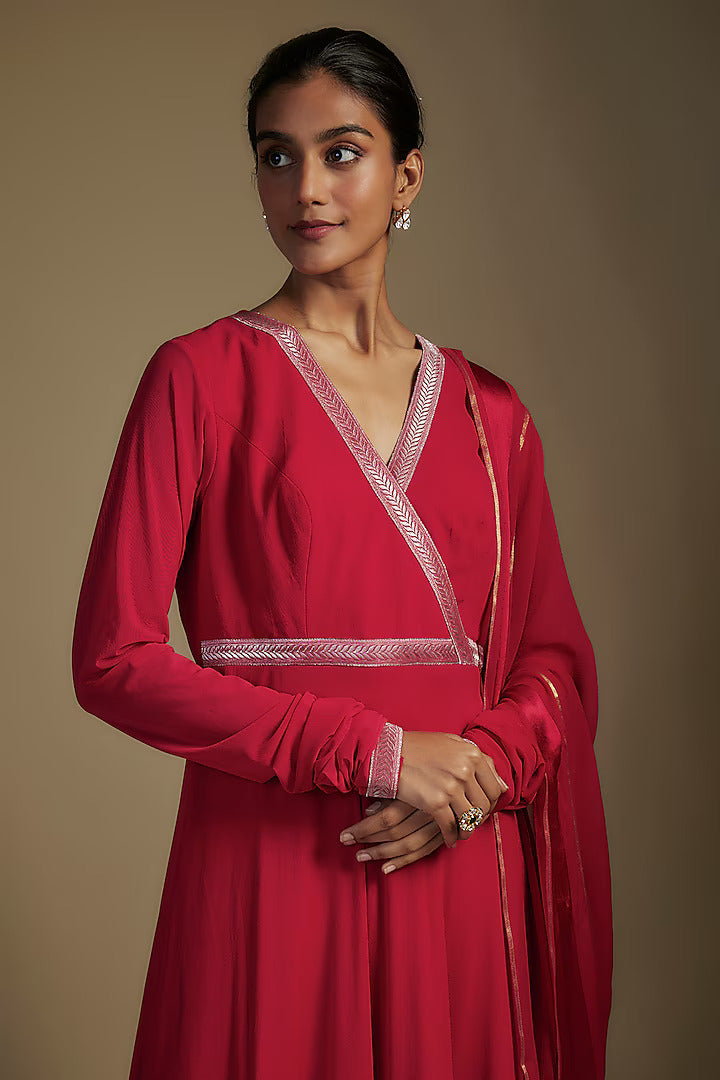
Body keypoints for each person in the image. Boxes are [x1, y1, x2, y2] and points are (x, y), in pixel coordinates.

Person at [71, 26, 612, 1080]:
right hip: (272, 854)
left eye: (342, 152)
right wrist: (374, 753)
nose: (306, 188)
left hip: (451, 849)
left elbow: (553, 661)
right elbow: (113, 660)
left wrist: (480, 772)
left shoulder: (492, 417)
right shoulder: (198, 378)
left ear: (407, 176)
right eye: (277, 155)